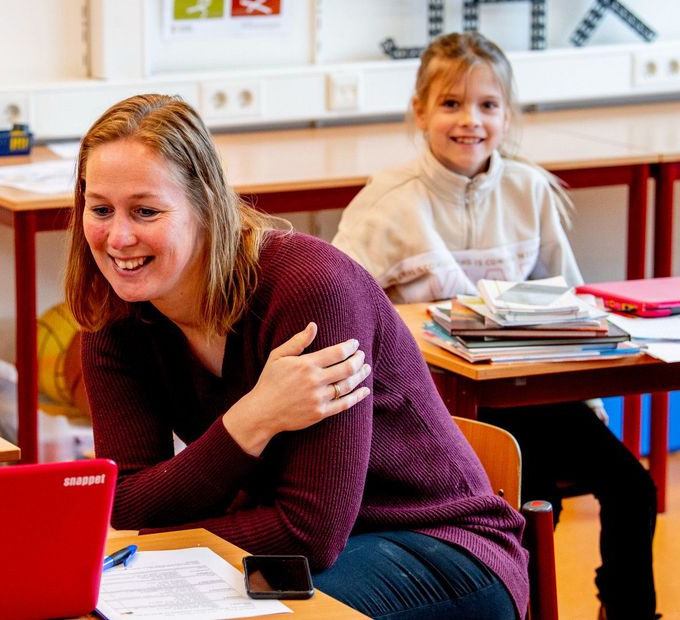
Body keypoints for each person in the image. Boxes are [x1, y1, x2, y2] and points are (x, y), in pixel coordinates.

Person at [65, 93, 529, 619]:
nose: (118, 237)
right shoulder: (114, 312)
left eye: (146, 211)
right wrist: (251, 419)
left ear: (205, 205)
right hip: (294, 550)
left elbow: (310, 532)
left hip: (437, 547)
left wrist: (159, 534)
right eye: (100, 209)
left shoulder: (312, 289)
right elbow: (128, 503)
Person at [332, 32, 658, 620]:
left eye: (488, 105)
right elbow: (338, 313)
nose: (470, 121)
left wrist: (591, 406)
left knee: (633, 488)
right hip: (439, 414)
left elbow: (573, 305)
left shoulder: (531, 189)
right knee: (533, 504)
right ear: (420, 111)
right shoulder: (386, 203)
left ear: (508, 114)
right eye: (451, 104)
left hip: (532, 395)